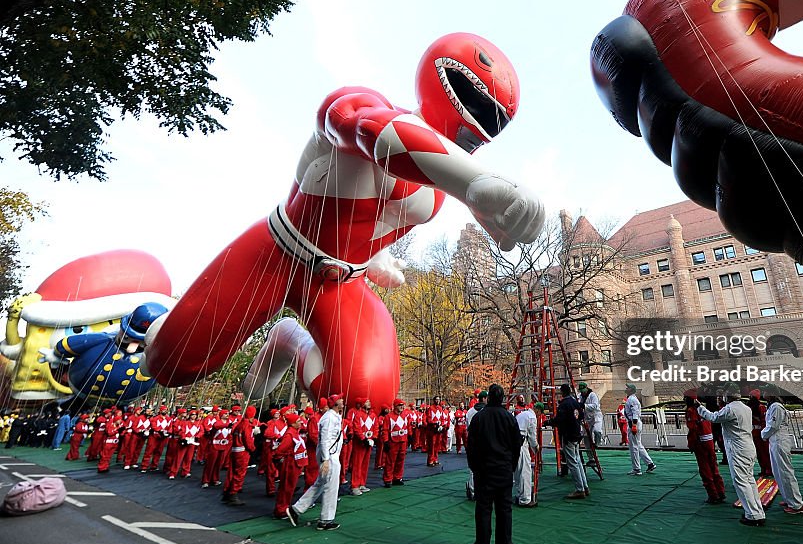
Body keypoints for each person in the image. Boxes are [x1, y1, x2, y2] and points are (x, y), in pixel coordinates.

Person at [145, 33, 545, 412]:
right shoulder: (367, 105)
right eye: (476, 104)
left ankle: (291, 341)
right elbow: (363, 129)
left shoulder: (439, 186)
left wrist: (382, 254)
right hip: (277, 252)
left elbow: (373, 213)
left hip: (341, 281)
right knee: (171, 363)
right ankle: (151, 320)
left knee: (365, 396)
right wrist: (473, 182)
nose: (479, 122)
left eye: (492, 117)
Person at [465, 384, 523, 544]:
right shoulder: (508, 418)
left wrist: (476, 468)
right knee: (504, 512)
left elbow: (471, 446)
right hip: (503, 471)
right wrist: (510, 466)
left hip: (485, 472)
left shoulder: (479, 418)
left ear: (488, 397)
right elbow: (516, 446)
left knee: (483, 513)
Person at [697, 384, 766, 526]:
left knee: (740, 481)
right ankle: (757, 511)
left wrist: (699, 407)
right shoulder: (745, 408)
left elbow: (712, 417)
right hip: (748, 446)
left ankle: (752, 515)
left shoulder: (730, 409)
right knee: (749, 480)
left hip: (738, 448)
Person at [288, 393, 345, 530]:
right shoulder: (330, 418)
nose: (343, 401)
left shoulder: (333, 416)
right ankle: (325, 520)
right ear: (336, 403)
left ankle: (296, 509)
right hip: (330, 456)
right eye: (340, 400)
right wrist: (326, 459)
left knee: (319, 484)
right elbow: (324, 439)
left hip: (330, 455)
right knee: (331, 487)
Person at [761, 385, 803, 514]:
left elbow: (773, 426)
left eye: (765, 390)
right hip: (775, 440)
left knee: (785, 473)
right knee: (778, 472)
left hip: (779, 439)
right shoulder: (773, 406)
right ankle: (788, 498)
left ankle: (797, 504)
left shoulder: (776, 407)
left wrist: (763, 434)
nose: (763, 393)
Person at [684, 389, 725, 504]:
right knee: (714, 467)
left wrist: (691, 444)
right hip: (709, 441)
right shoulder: (703, 409)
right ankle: (720, 492)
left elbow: (693, 429)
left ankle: (713, 495)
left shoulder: (691, 411)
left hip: (700, 443)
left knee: (705, 469)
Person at [548, 383, 589, 499]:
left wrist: (549, 422)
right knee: (578, 461)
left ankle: (579, 489)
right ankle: (584, 486)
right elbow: (580, 415)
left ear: (562, 392)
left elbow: (559, 419)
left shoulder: (564, 405)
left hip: (568, 435)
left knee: (572, 462)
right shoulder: (575, 402)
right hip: (576, 433)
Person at [272, 412, 309, 520]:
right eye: (298, 421)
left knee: (289, 488)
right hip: (290, 465)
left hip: (295, 464)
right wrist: (283, 458)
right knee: (286, 488)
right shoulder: (290, 435)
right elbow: (280, 450)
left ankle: (284, 508)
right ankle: (281, 510)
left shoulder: (294, 432)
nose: (300, 422)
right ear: (293, 424)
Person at [223, 406, 258, 506]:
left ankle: (228, 492)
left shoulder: (240, 424)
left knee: (232, 473)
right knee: (239, 474)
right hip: (242, 452)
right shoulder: (247, 425)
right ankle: (233, 495)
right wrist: (253, 449)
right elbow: (248, 440)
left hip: (235, 451)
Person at [623, 383, 656, 476]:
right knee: (638, 445)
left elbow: (635, 413)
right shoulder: (631, 399)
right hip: (634, 423)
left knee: (634, 447)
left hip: (634, 424)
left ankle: (637, 469)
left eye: (628, 388)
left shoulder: (632, 400)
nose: (626, 389)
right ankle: (650, 463)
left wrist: (633, 425)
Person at [513, 397, 539, 507]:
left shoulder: (522, 414)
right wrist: (536, 448)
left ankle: (519, 494)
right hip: (521, 443)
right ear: (538, 411)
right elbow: (532, 437)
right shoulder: (532, 417)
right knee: (525, 471)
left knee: (517, 471)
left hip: (512, 443)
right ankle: (525, 499)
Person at [464, 389, 487, 501]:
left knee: (473, 468)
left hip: (472, 442)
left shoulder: (470, 411)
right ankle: (480, 490)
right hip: (483, 442)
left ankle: (473, 490)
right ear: (484, 398)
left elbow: (467, 427)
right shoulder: (486, 411)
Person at [383, 398, 409, 487]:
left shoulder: (405, 415)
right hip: (393, 442)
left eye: (403, 405)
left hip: (403, 441)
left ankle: (397, 478)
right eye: (400, 405)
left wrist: (410, 436)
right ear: (395, 406)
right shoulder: (388, 417)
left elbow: (407, 427)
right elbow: (385, 430)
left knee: (400, 460)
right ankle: (388, 479)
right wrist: (386, 441)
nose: (402, 407)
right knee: (390, 461)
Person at [747, 389, 773, 478]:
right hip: (755, 433)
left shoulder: (760, 407)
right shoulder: (758, 407)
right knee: (760, 453)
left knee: (764, 452)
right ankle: (764, 469)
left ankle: (768, 469)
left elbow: (763, 421)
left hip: (759, 433)